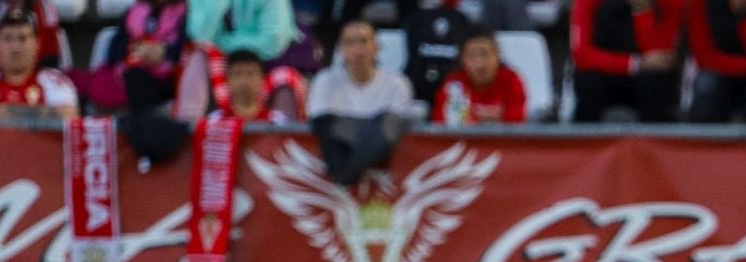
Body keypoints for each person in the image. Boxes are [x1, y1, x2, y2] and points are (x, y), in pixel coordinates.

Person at [307, 18, 413, 184]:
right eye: (350, 42)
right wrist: (369, 128)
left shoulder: (397, 83)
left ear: (377, 46)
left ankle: (345, 177)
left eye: (363, 41)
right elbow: (323, 127)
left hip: (383, 175)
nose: (357, 49)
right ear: (341, 48)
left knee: (388, 126)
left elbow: (391, 132)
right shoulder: (325, 80)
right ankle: (346, 176)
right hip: (340, 159)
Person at [570, 0, 680, 123]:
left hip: (644, 76)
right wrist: (634, 63)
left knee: (656, 84)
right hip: (605, 72)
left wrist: (642, 9)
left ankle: (656, 138)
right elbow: (582, 55)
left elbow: (661, 58)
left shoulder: (670, 4)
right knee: (588, 82)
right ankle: (587, 137)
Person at [0, 8, 77, 118]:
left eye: (23, 38)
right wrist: (40, 114)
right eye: (8, 38)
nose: (15, 48)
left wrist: (2, 111)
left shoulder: (56, 80)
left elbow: (66, 117)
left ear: (37, 43)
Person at [432, 26, 525, 125]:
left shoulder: (511, 81)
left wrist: (474, 121)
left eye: (485, 54)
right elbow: (441, 122)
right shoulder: (454, 84)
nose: (480, 64)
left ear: (498, 56)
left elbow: (516, 122)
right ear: (462, 60)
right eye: (472, 56)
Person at [210, 47, 292, 120]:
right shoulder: (215, 120)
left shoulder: (278, 121)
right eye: (237, 74)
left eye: (251, 74)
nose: (244, 81)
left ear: (262, 78)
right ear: (228, 79)